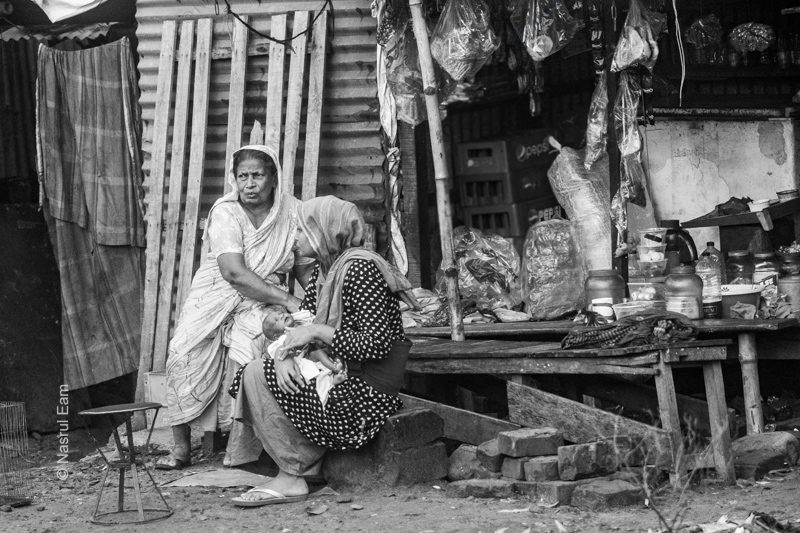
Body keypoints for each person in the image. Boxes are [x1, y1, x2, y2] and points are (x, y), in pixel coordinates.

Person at [227, 196, 417, 507]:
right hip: (339, 374)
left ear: (325, 231)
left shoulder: (361, 271)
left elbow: (377, 345)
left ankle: (293, 474)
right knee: (260, 369)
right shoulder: (324, 271)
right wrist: (286, 354)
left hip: (365, 394)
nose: (294, 238)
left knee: (257, 373)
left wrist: (316, 333)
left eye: (301, 230)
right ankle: (298, 468)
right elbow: (304, 323)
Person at [156, 145, 310, 470]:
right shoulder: (225, 212)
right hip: (217, 293)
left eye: (257, 176)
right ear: (234, 179)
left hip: (264, 299)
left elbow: (303, 267)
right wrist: (288, 299)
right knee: (182, 351)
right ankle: (181, 448)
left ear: (274, 178)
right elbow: (233, 273)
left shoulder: (292, 212)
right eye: (243, 176)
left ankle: (249, 448)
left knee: (257, 345)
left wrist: (313, 304)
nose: (249, 184)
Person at [261, 304, 347, 407]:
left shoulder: (302, 323)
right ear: (276, 336)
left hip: (321, 348)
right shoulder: (282, 339)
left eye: (281, 313)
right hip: (309, 357)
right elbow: (278, 351)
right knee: (318, 353)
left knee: (332, 350)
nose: (281, 316)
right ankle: (335, 368)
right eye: (276, 320)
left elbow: (311, 319)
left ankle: (336, 372)